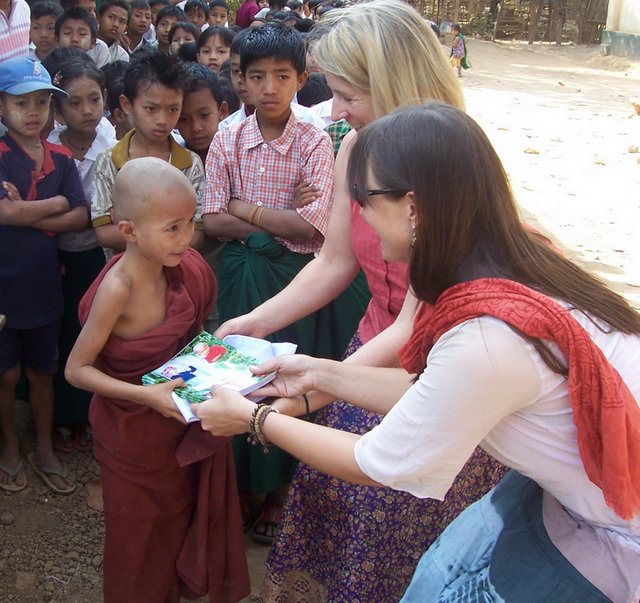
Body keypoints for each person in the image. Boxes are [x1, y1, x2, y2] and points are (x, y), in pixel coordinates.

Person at [197, 101, 640, 602]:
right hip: (586, 497)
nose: (359, 214)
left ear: (413, 207)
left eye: (364, 198)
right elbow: (433, 394)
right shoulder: (509, 259)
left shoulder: (488, 336)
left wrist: (253, 420)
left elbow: (381, 462)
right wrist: (321, 375)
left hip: (616, 530)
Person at [214, 1, 505, 600]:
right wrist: (252, 322)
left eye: (347, 93)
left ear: (394, 82)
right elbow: (335, 259)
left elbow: (416, 323)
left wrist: (316, 385)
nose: (335, 110)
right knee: (342, 504)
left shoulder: (451, 164)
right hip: (369, 351)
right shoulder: (355, 145)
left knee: (395, 514)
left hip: (430, 370)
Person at [202, 21, 369, 544]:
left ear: (301, 79)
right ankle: (242, 487)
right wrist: (276, 214)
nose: (269, 88)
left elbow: (312, 228)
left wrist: (245, 207)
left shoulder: (317, 141)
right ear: (242, 83)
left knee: (286, 379)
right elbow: (211, 220)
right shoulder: (228, 135)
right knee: (239, 372)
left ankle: (277, 494)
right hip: (241, 273)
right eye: (257, 76)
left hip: (297, 278)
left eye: (282, 75)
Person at [65, 157, 249, 603]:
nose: (188, 239)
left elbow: (192, 336)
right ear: (128, 231)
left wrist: (219, 362)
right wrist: (143, 396)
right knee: (139, 541)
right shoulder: (119, 289)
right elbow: (77, 370)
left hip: (176, 419)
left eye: (191, 223)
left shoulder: (183, 268)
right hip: (134, 433)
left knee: (177, 520)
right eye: (173, 228)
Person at [0, 56, 88, 494]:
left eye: (41, 103)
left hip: (44, 286)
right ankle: (9, 445)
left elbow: (81, 215)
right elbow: (3, 211)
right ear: (2, 108)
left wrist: (26, 213)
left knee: (41, 372)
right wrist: (53, 207)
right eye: (21, 104)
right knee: (6, 375)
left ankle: (43, 448)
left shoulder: (61, 158)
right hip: (4, 288)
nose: (33, 113)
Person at [45, 57, 116, 453]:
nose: (87, 110)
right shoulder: (50, 148)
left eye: (94, 99)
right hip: (54, 255)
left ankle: (89, 413)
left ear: (106, 99)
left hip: (96, 256)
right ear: (58, 110)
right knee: (60, 334)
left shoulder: (111, 145)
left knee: (92, 333)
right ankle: (62, 415)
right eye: (74, 102)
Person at [91, 51, 205, 259]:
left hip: (175, 276)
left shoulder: (190, 164)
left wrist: (140, 234)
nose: (162, 120)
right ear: (127, 105)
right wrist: (168, 234)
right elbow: (104, 233)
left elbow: (196, 234)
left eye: (172, 109)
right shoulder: (108, 162)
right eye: (151, 108)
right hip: (122, 275)